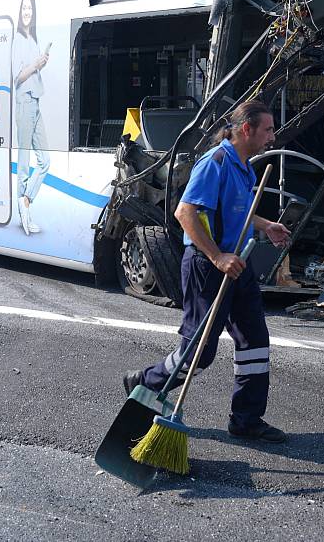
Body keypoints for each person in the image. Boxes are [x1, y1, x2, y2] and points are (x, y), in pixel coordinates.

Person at [125, 101, 293, 442]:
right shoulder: (214, 162)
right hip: (208, 265)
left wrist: (265, 225)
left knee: (255, 342)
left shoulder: (245, 167)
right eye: (267, 129)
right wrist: (217, 257)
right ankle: (145, 381)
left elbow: (236, 214)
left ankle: (246, 419)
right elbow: (185, 213)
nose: (272, 136)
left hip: (237, 264)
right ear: (246, 129)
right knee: (199, 353)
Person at [11, 0, 49, 236]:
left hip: (35, 102)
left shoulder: (32, 39)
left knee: (45, 160)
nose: (27, 12)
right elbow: (17, 77)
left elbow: (32, 72)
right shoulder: (17, 40)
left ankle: (26, 199)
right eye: (24, 8)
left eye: (30, 9)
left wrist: (40, 62)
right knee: (24, 162)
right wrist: (35, 65)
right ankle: (23, 210)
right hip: (24, 102)